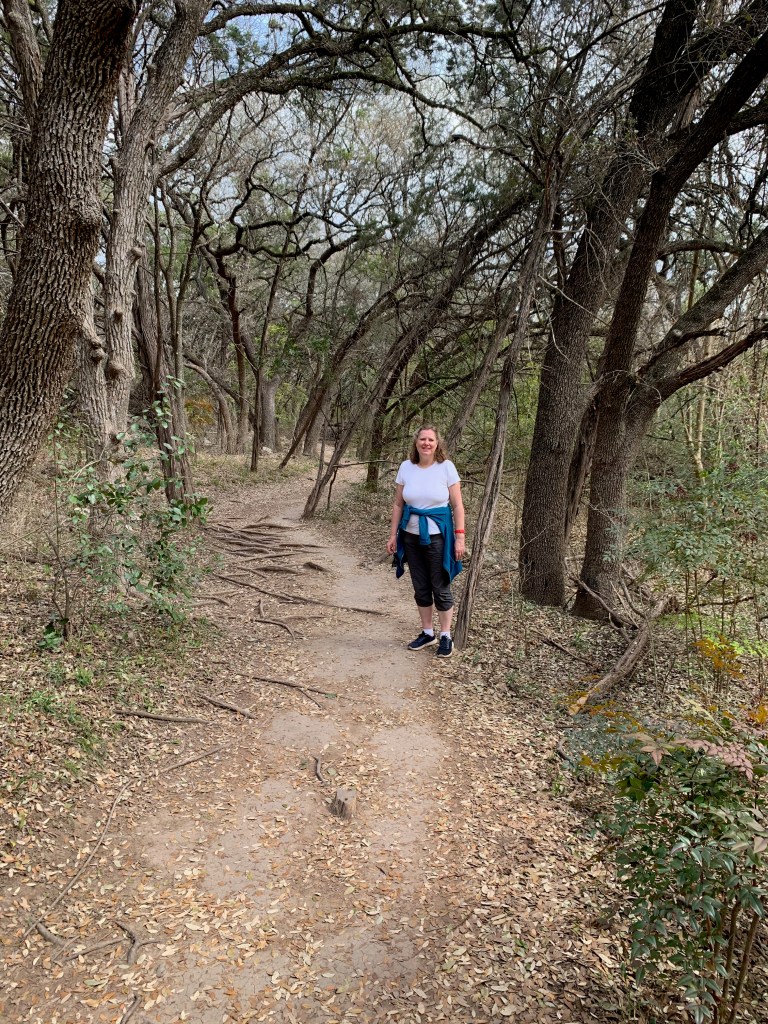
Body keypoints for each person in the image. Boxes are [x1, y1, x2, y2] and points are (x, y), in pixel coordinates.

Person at [386, 424, 466, 658]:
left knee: (440, 585)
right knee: (420, 586)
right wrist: (393, 535)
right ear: (416, 442)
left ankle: (445, 635)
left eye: (431, 440)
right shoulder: (406, 467)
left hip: (438, 536)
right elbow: (398, 504)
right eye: (423, 439)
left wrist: (460, 537)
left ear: (437, 443)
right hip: (410, 536)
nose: (426, 443)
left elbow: (458, 506)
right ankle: (428, 632)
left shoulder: (446, 468)